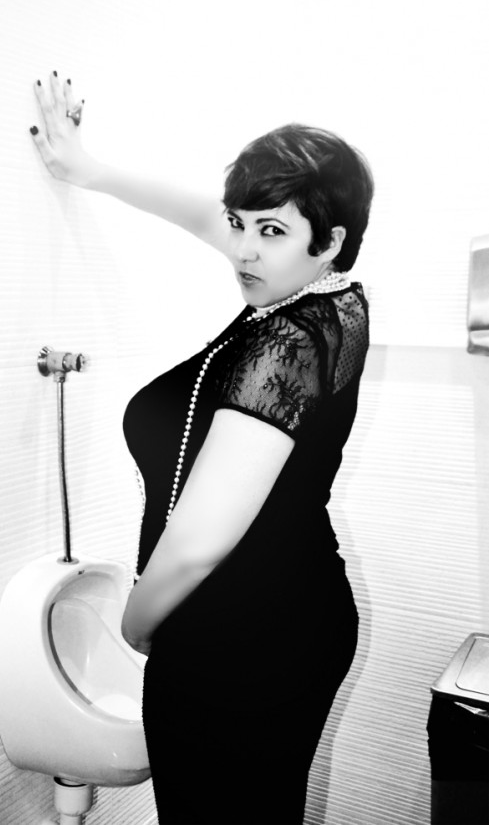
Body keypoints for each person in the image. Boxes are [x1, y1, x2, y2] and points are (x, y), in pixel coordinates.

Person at [30, 72, 373, 825]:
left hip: (239, 638)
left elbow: (197, 543)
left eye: (269, 231)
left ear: (331, 240)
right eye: (239, 224)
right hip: (295, 613)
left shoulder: (287, 340)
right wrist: (88, 171)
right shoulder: (328, 293)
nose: (242, 250)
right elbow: (201, 214)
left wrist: (137, 621)